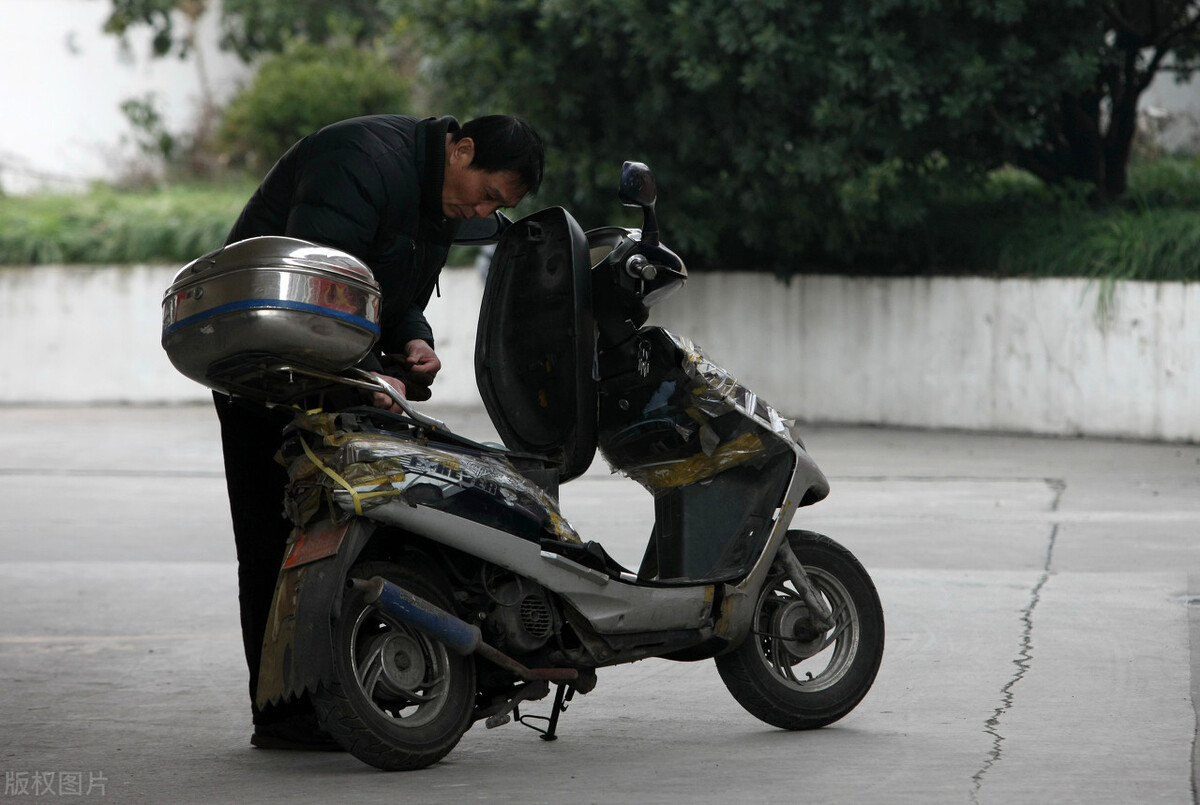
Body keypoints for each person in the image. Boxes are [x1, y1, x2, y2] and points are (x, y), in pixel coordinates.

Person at [213, 114, 544, 750]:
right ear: (461, 149)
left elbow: (387, 290)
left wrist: (413, 337)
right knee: (278, 538)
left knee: (373, 524)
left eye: (497, 207)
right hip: (263, 367)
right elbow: (319, 288)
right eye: (486, 194)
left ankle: (353, 693)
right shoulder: (359, 161)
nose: (482, 211)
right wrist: (369, 370)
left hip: (326, 365)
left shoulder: (439, 200)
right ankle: (286, 716)